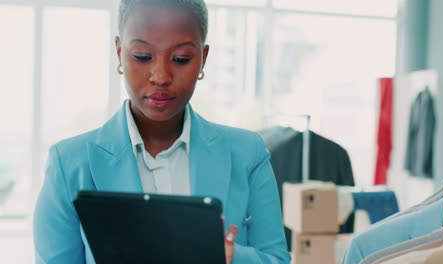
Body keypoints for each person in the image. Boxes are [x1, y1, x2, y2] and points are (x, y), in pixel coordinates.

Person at [33, 0, 290, 263]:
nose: (161, 76)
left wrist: (229, 257)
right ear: (119, 51)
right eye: (143, 57)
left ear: (204, 58)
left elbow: (277, 259)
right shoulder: (69, 165)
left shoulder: (248, 154)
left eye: (180, 59)